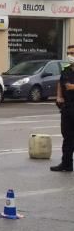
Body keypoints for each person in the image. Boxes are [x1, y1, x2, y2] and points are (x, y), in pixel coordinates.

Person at [51, 43, 74, 172]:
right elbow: (60, 82)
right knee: (67, 136)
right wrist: (59, 96)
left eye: (73, 53)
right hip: (67, 107)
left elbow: (70, 86)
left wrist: (72, 87)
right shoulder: (66, 68)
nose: (70, 56)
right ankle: (66, 164)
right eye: (69, 53)